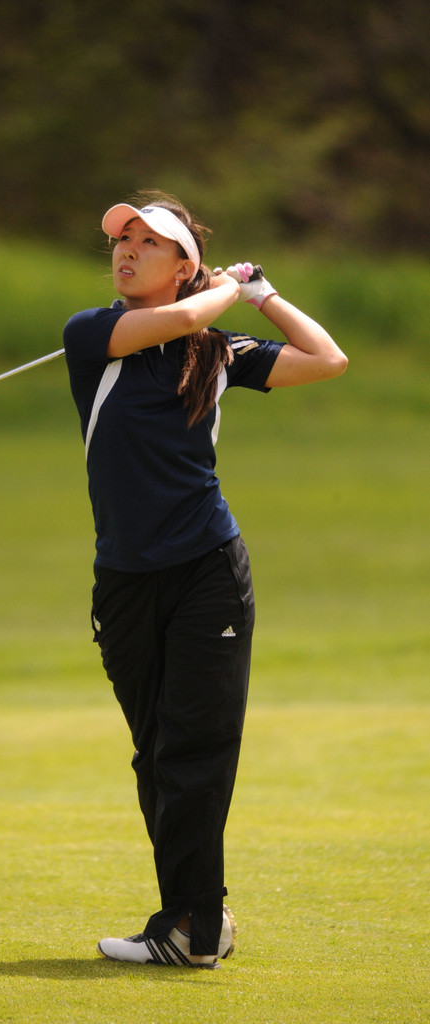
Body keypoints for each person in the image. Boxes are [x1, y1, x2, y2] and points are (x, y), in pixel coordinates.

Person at [62, 191, 347, 969]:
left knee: (194, 745)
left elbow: (327, 360)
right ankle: (195, 922)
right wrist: (219, 293)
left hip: (205, 571)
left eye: (145, 242)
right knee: (155, 752)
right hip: (122, 578)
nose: (123, 250)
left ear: (182, 262)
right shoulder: (94, 334)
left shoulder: (213, 351)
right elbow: (185, 318)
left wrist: (263, 296)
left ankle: (191, 926)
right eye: (118, 239)